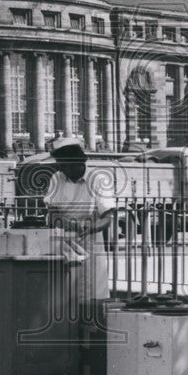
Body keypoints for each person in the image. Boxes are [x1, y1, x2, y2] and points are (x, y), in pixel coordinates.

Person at [44, 137, 116, 320]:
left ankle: (91, 336)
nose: (63, 170)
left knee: (93, 295)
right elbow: (52, 213)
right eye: (61, 166)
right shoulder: (57, 179)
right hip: (63, 242)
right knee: (65, 296)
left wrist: (91, 228)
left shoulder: (97, 179)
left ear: (80, 163)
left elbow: (108, 217)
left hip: (91, 242)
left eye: (67, 166)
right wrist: (68, 224)